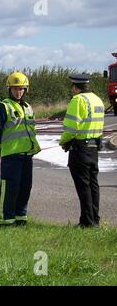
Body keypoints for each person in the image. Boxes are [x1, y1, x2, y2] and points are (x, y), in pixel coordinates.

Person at [0, 72, 41, 226]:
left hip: (26, 155)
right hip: (11, 156)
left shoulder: (27, 107)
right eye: (15, 89)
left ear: (26, 90)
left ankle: (21, 218)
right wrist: (1, 149)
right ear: (9, 89)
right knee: (10, 188)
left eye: (21, 89)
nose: (18, 92)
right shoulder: (3, 106)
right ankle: (6, 220)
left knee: (25, 187)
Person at [59, 74, 104, 228]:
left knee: (83, 187)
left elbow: (71, 128)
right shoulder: (97, 100)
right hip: (94, 148)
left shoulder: (78, 100)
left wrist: (63, 141)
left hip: (80, 149)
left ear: (75, 87)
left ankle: (87, 222)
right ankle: (95, 219)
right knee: (93, 185)